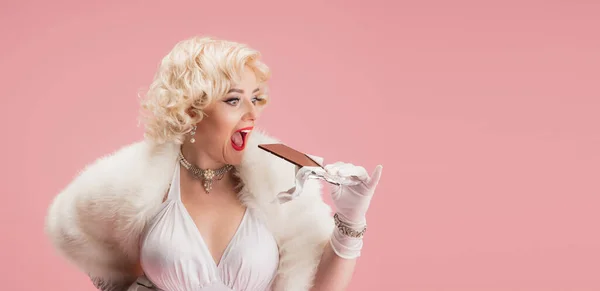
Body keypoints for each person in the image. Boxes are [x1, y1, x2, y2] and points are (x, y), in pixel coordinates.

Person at [44, 36, 383, 291]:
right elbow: (82, 237)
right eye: (234, 99)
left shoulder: (281, 183)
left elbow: (319, 286)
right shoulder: (135, 183)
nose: (252, 112)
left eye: (256, 98)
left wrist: (351, 222)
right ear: (191, 108)